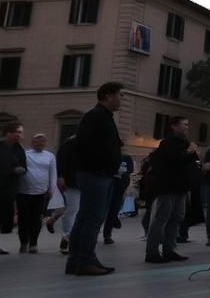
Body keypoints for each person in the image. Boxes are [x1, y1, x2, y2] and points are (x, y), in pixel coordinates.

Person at [67, 82, 124, 276]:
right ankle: (85, 260)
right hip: (96, 174)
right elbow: (86, 146)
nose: (121, 99)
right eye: (120, 95)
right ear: (108, 96)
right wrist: (106, 166)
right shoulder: (96, 116)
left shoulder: (102, 116)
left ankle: (76, 260)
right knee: (93, 218)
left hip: (97, 173)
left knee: (85, 217)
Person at [145, 116, 194, 263]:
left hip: (181, 188)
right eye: (184, 124)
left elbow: (192, 163)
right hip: (167, 187)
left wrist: (192, 155)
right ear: (174, 126)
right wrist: (188, 153)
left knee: (176, 218)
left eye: (187, 125)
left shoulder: (186, 143)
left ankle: (169, 249)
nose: (187, 127)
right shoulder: (166, 143)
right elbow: (173, 161)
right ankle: (152, 252)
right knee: (161, 218)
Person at [0, 123, 28, 255]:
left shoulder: (19, 149)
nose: (20, 135)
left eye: (21, 133)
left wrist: (21, 169)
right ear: (8, 133)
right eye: (18, 132)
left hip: (9, 187)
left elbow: (24, 166)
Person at [17, 133, 55, 254]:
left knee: (37, 219)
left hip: (40, 193)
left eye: (42, 141)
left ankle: (33, 243)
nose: (39, 143)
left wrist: (52, 190)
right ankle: (23, 242)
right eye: (36, 141)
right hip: (23, 192)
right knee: (23, 218)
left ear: (45, 143)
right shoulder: (25, 154)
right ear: (32, 142)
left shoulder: (50, 156)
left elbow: (53, 174)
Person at [50, 134, 79, 254]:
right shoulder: (69, 144)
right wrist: (61, 176)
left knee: (78, 211)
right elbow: (61, 160)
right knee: (72, 210)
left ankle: (66, 235)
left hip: (88, 182)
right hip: (73, 181)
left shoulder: (93, 144)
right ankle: (68, 237)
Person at [102, 152, 133, 244]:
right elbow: (130, 170)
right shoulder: (125, 157)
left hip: (115, 186)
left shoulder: (125, 157)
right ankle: (107, 233)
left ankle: (107, 233)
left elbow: (129, 170)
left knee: (111, 210)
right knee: (112, 210)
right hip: (115, 186)